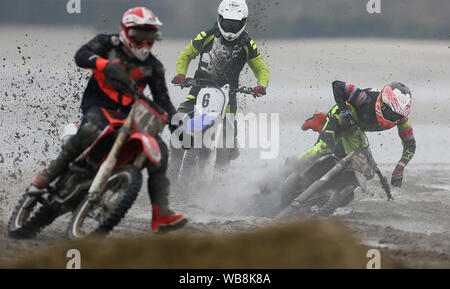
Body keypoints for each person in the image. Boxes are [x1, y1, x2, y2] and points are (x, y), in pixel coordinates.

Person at [28, 7, 186, 233]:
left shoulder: (154, 66)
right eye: (139, 36)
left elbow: (164, 102)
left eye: (149, 37)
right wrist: (103, 64)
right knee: (91, 127)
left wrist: (177, 125)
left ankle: (161, 213)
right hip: (98, 106)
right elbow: (80, 56)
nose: (143, 42)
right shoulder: (107, 43)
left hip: (128, 116)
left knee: (161, 151)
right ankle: (47, 175)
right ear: (126, 32)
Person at [169, 0, 270, 175]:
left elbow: (261, 69)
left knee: (231, 141)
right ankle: (172, 169)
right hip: (197, 90)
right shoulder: (206, 35)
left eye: (235, 24)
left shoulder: (247, 43)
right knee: (178, 123)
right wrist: (180, 74)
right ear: (220, 18)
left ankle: (220, 181)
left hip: (228, 96)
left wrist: (261, 85)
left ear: (243, 22)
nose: (231, 27)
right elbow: (186, 55)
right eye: (228, 23)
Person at [291, 80, 416, 187]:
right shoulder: (364, 98)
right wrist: (344, 111)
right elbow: (338, 85)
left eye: (397, 115)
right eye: (390, 112)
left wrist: (401, 166)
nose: (393, 117)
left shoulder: (401, 119)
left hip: (355, 130)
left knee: (367, 172)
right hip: (340, 117)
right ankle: (291, 164)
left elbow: (410, 143)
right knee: (324, 148)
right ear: (382, 102)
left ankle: (329, 187)